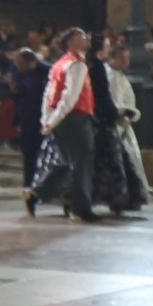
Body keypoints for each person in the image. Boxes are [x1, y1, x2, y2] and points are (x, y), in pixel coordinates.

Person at [27, 28, 99, 222]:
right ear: (71, 42)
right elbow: (70, 97)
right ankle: (80, 208)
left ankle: (37, 193)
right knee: (82, 163)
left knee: (67, 163)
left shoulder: (59, 64)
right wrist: (52, 121)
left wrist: (48, 119)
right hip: (76, 118)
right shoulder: (77, 65)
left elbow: (49, 95)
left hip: (62, 120)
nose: (86, 38)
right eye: (81, 36)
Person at [107, 46, 152, 204]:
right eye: (123, 58)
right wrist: (123, 115)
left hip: (124, 122)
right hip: (117, 124)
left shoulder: (119, 77)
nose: (127, 62)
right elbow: (115, 102)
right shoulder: (111, 76)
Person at [12, 49, 47, 189]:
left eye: (20, 63)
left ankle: (41, 184)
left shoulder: (44, 72)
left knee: (41, 153)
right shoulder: (20, 74)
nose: (18, 66)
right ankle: (29, 184)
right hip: (27, 119)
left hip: (40, 118)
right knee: (28, 154)